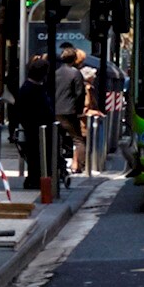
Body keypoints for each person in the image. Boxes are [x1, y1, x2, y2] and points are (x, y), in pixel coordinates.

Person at [12, 54, 56, 197]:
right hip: (35, 128)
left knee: (37, 155)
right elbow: (20, 110)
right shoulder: (30, 89)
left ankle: (37, 178)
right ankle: (35, 179)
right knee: (36, 155)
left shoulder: (33, 87)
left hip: (38, 127)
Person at [52, 46, 86, 184]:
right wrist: (79, 110)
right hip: (70, 110)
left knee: (57, 139)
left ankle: (58, 165)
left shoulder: (55, 73)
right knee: (77, 139)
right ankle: (81, 167)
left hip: (56, 110)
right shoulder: (75, 74)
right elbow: (79, 94)